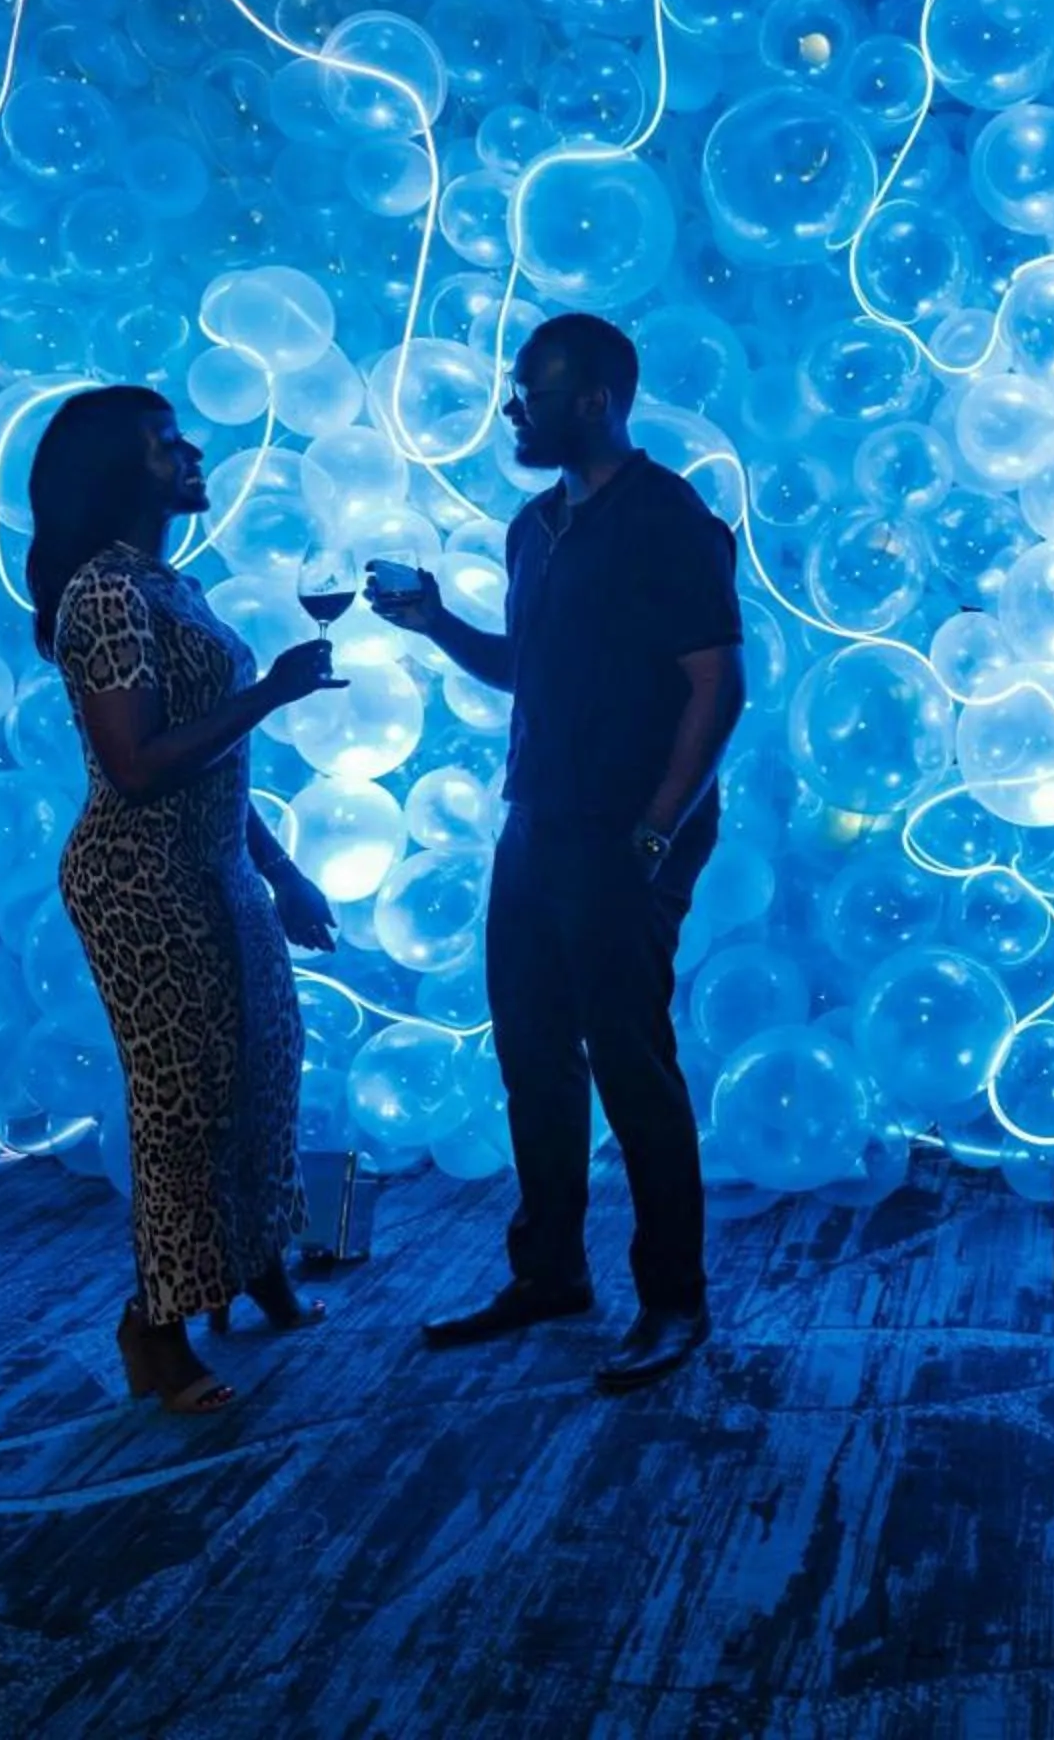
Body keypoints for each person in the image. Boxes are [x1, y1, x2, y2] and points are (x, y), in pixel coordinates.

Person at [376, 312, 746, 1394]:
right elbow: (524, 671)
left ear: (595, 400)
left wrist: (656, 829)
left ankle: (674, 1300)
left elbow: (718, 686)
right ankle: (550, 1273)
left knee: (629, 1059)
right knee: (533, 1050)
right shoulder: (533, 527)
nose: (511, 411)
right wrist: (435, 622)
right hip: (535, 820)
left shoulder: (668, 518)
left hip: (625, 833)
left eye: (529, 394)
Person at [27, 384, 345, 1417]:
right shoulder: (105, 595)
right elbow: (136, 767)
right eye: (166, 443)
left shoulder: (170, 584)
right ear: (119, 473)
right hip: (141, 878)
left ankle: (255, 1264)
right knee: (184, 1103)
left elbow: (218, 762)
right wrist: (274, 691)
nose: (192, 452)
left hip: (218, 867)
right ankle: (154, 1328)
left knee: (265, 1066)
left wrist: (279, 871)